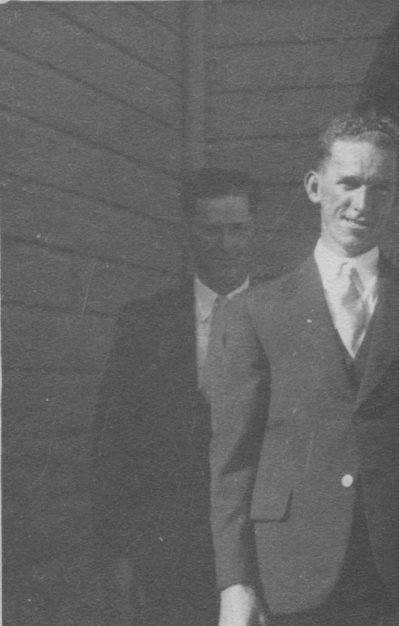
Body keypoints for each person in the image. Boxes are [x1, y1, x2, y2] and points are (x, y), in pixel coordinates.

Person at [209, 112, 399, 626]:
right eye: (349, 184)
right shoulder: (256, 312)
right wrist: (236, 582)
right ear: (315, 187)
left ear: (396, 195)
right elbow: (233, 463)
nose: (363, 204)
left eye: (381, 188)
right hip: (295, 574)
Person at [92, 168, 261, 625]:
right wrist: (120, 553)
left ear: (254, 229)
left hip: (262, 556)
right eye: (211, 230)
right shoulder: (144, 324)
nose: (226, 245)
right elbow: (112, 446)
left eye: (237, 229)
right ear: (188, 233)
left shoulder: (284, 318)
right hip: (167, 557)